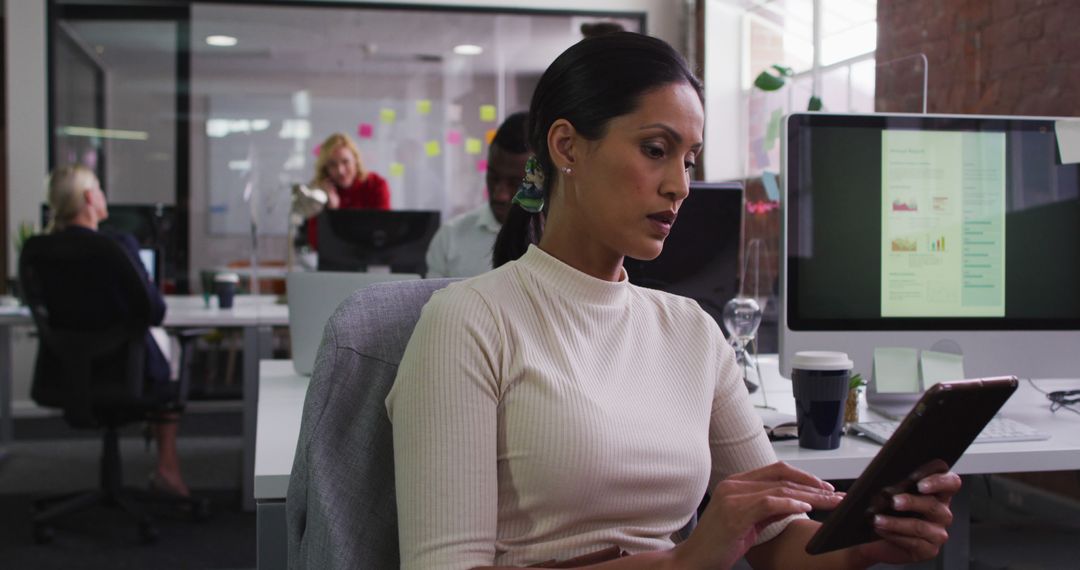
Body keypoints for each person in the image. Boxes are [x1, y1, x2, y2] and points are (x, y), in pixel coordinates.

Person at [387, 32, 960, 569]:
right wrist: (684, 560)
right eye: (656, 149)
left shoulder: (690, 331)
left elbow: (778, 539)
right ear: (566, 145)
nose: (681, 186)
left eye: (689, 160)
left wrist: (872, 536)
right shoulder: (469, 321)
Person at [46, 165, 191, 497]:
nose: (102, 195)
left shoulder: (41, 250)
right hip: (126, 371)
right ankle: (167, 468)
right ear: (87, 198)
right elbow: (156, 311)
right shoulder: (118, 245)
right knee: (168, 347)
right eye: (98, 187)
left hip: (67, 373)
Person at [425, 112, 530, 278]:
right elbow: (429, 303)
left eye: (515, 183)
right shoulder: (451, 238)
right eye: (493, 177)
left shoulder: (560, 243)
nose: (499, 195)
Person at [305, 132, 390, 249]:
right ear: (326, 168)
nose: (340, 170)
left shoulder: (376, 185)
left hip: (371, 258)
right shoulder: (321, 191)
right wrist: (331, 210)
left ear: (355, 160)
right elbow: (316, 243)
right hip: (333, 261)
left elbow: (382, 233)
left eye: (345, 162)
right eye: (332, 165)